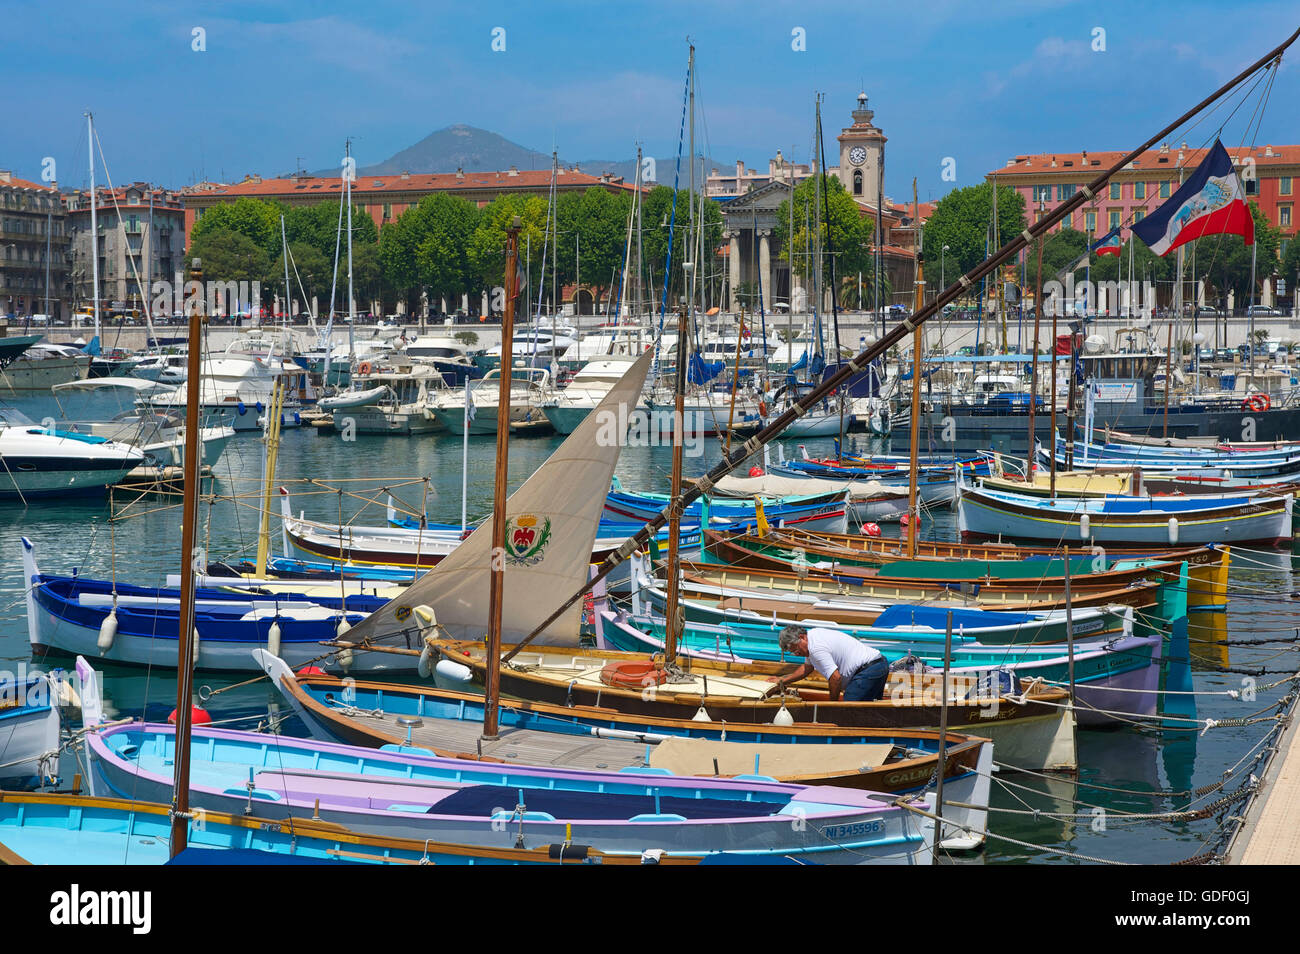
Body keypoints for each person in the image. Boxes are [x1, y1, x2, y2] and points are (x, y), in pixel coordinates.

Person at [768, 625, 890, 702]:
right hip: (879, 664)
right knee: (872, 707)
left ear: (802, 637)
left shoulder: (816, 648)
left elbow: (835, 678)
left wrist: (832, 704)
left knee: (849, 710)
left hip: (868, 670)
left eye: (795, 649)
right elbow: (807, 668)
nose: (796, 653)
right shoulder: (814, 636)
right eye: (793, 652)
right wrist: (782, 681)